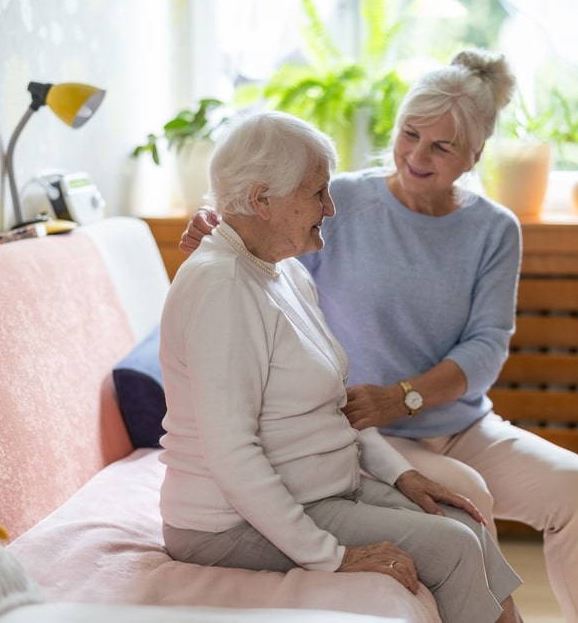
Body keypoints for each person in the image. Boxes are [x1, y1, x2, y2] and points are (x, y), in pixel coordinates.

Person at [180, 49, 578, 623]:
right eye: (410, 134)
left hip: (458, 423)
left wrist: (405, 395)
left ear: (475, 154)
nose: (417, 155)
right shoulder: (339, 201)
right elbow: (267, 250)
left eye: (441, 146)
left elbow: (486, 347)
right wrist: (214, 224)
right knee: (469, 505)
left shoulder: (493, 229)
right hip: (370, 430)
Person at [158, 110, 523, 623]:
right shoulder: (222, 288)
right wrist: (335, 556)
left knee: (468, 523)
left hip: (321, 488)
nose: (331, 208)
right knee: (454, 546)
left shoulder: (284, 273)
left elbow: (333, 405)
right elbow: (232, 454)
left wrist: (402, 476)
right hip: (226, 525)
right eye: (317, 193)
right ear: (263, 200)